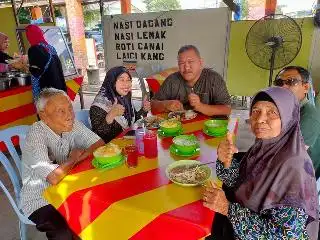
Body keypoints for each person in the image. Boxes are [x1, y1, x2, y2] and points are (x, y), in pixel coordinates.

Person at [203, 87, 319, 240]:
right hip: (238, 224)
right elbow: (238, 182)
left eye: (272, 112)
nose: (260, 119)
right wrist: (226, 161)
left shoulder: (294, 169)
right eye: (256, 111)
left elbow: (284, 235)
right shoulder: (264, 146)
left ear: (288, 118)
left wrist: (227, 209)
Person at [20, 88, 104, 240]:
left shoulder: (72, 124)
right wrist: (72, 159)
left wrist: (76, 158)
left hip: (68, 190)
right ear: (43, 115)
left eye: (70, 108)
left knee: (99, 210)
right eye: (61, 111)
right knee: (64, 231)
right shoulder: (36, 134)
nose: (69, 115)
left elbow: (99, 143)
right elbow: (53, 177)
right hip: (40, 198)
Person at [151, 45, 231, 116]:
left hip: (209, 128)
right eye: (182, 63)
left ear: (200, 63)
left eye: (190, 61)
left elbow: (227, 109)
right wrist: (165, 105)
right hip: (178, 128)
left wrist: (200, 106)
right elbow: (153, 104)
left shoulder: (214, 79)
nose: (186, 67)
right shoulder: (172, 80)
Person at [274, 66, 320, 179]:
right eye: (279, 82)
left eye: (291, 81)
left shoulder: (309, 115)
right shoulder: (288, 108)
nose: (283, 86)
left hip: (296, 176)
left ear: (305, 87)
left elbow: (290, 156)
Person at [90, 66, 151, 143]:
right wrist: (111, 115)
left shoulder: (125, 97)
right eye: (122, 80)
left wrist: (144, 110)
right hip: (110, 150)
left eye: (128, 80)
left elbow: (133, 123)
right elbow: (99, 138)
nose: (126, 84)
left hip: (128, 143)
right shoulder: (98, 105)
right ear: (112, 82)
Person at [25, 24, 67, 99]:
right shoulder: (50, 47)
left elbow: (36, 72)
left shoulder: (34, 49)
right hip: (58, 87)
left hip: (46, 91)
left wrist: (24, 65)